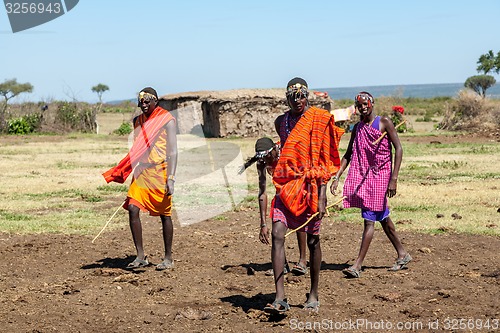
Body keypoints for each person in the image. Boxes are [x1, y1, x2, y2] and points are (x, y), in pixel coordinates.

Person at [263, 77, 343, 314]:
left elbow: (325, 159)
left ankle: (314, 292)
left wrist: (322, 194)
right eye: (293, 96)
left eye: (301, 95)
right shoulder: (281, 122)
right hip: (287, 186)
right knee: (278, 233)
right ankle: (280, 297)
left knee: (312, 240)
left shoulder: (319, 119)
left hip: (311, 186)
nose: (298, 100)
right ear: (286, 98)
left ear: (307, 95)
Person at [330, 91, 411, 279]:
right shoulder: (357, 128)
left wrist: (394, 178)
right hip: (365, 177)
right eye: (359, 105)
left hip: (381, 176)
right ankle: (402, 254)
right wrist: (337, 176)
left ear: (372, 104)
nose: (362, 107)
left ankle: (357, 265)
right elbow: (349, 154)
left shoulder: (384, 123)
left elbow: (398, 148)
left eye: (365, 104)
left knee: (369, 219)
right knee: (381, 217)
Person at [102, 87, 178, 271]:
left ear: (155, 101)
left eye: (147, 101)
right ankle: (140, 255)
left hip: (160, 171)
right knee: (133, 208)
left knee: (165, 214)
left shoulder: (166, 120)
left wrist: (171, 178)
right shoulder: (138, 121)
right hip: (143, 171)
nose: (143, 105)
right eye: (141, 102)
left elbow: (173, 151)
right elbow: (139, 147)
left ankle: (168, 258)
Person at [239, 137, 308, 276]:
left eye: (269, 157)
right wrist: (263, 224)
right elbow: (262, 193)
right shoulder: (262, 163)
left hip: (296, 189)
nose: (267, 161)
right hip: (280, 193)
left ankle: (302, 261)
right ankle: (282, 264)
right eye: (264, 159)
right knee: (277, 232)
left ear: (274, 150)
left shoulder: (286, 153)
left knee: (299, 222)